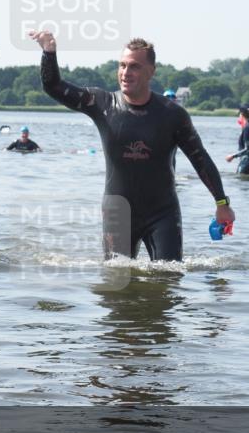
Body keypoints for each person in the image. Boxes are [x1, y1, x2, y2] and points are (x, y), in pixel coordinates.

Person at [33, 30, 233, 261]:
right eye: (122, 65)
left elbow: (200, 160)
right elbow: (53, 86)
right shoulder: (102, 103)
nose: (126, 73)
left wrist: (222, 203)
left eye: (134, 67)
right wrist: (49, 52)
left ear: (151, 72)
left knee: (168, 277)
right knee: (116, 285)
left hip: (162, 213)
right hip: (117, 214)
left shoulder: (172, 115)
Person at [225, 104, 249, 174]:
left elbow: (248, 149)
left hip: (248, 161)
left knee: (241, 181)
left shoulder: (247, 128)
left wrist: (232, 156)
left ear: (242, 114)